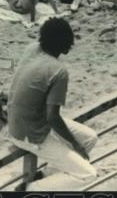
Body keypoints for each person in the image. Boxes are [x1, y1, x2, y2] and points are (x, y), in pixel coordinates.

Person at [8, 17, 99, 179]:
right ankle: (32, 189)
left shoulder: (32, 49)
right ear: (63, 44)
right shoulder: (59, 71)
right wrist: (75, 145)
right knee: (89, 174)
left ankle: (42, 176)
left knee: (90, 138)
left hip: (18, 121)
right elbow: (53, 117)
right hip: (30, 133)